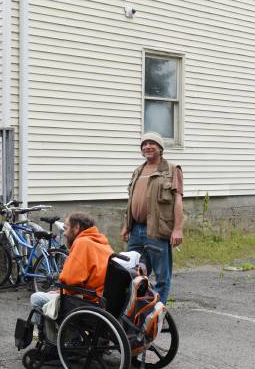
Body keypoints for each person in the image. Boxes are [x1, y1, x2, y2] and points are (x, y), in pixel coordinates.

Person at [120, 131, 183, 304]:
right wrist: (126, 225)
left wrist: (177, 229)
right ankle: (138, 311)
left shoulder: (171, 169)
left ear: (160, 148)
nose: (148, 146)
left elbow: (178, 199)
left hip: (157, 230)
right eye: (144, 144)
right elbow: (131, 200)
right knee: (133, 274)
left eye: (152, 143)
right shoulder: (138, 171)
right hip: (136, 231)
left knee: (162, 277)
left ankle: (157, 314)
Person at [30, 213, 114, 321]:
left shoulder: (82, 243)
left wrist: (59, 292)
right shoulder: (101, 242)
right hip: (102, 300)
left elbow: (70, 280)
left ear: (77, 227)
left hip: (88, 302)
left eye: (66, 228)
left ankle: (50, 336)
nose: (64, 233)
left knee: (36, 298)